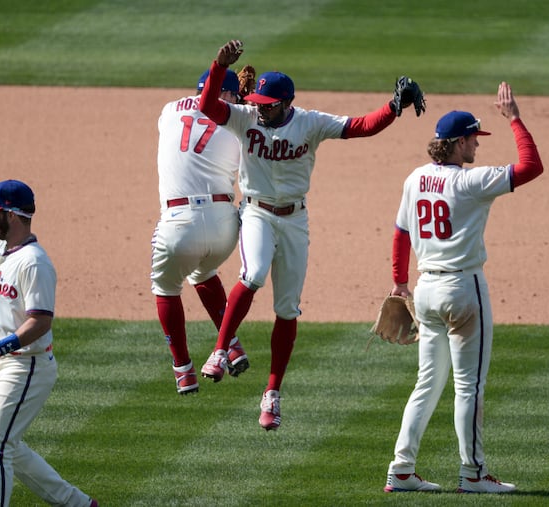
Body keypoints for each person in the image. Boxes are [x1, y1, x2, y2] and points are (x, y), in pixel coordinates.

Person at [198, 39, 422, 431]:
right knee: (251, 275)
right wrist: (219, 66)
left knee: (287, 309)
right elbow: (208, 107)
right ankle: (220, 351)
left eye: (268, 104)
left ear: (287, 103)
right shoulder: (244, 117)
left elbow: (360, 127)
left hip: (295, 221)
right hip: (256, 212)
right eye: (258, 101)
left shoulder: (310, 122)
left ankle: (272, 394)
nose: (260, 108)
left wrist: (393, 107)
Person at [383, 82, 544, 494]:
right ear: (456, 144)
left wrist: (399, 281)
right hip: (463, 292)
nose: (477, 144)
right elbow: (530, 167)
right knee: (468, 387)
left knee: (426, 383)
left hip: (426, 291)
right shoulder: (472, 183)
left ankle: (401, 469)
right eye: (473, 137)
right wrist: (514, 119)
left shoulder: (414, 179)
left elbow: (401, 232)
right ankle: (473, 473)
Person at [0, 180, 98, 507]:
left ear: (11, 215)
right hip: (4, 364)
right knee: (7, 445)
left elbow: (40, 322)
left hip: (27, 367)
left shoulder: (35, 263)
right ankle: (78, 503)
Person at [150, 68, 250, 395]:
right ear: (231, 96)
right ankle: (231, 345)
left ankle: (183, 370)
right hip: (225, 226)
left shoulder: (168, 110)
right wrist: (241, 103)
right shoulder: (242, 120)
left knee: (166, 287)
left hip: (179, 223)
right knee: (203, 271)